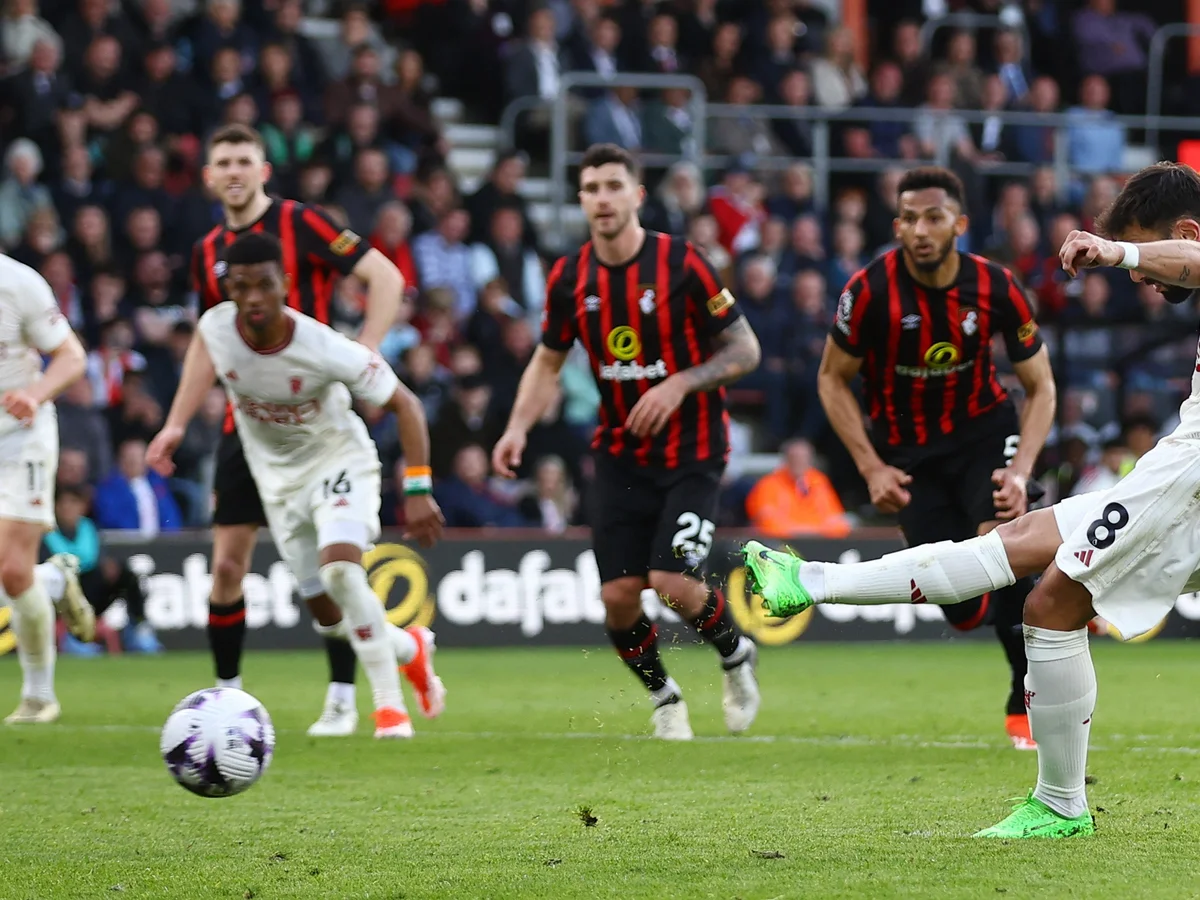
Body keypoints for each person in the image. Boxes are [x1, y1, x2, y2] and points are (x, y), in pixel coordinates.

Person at [743, 159, 1200, 838]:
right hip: (1176, 465)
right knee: (1019, 550)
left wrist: (1115, 250)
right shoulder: (873, 291)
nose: (1137, 278)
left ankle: (1060, 805)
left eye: (1145, 253)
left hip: (1189, 476)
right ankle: (805, 580)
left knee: (1050, 604)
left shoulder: (1026, 281)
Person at [492, 143, 763, 740]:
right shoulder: (570, 276)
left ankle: (735, 654)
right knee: (618, 596)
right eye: (590, 189)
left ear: (637, 195)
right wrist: (516, 427)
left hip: (693, 449)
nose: (601, 198)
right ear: (581, 199)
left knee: (670, 584)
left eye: (613, 185)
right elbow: (546, 361)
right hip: (620, 455)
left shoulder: (683, 263)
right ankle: (665, 697)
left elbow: (746, 349)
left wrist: (679, 385)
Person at [159, 124, 405, 737]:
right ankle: (226, 705)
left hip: (318, 424)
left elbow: (387, 278)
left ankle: (344, 695)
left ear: (264, 170)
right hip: (248, 425)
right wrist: (175, 422)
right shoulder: (207, 251)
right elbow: (206, 345)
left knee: (333, 570)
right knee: (225, 570)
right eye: (224, 162)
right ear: (209, 177)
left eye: (246, 159)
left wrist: (366, 351)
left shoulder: (305, 224)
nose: (235, 171)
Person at [815, 166, 1057, 750]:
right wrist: (871, 466)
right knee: (960, 601)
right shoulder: (868, 291)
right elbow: (831, 379)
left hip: (984, 436)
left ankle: (1024, 694)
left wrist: (1021, 470)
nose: (919, 230)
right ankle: (979, 607)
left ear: (959, 223)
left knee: (1003, 544)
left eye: (933, 217)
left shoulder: (995, 286)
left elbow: (1041, 386)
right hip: (909, 456)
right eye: (908, 219)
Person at [0, 253, 95, 724]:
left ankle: (39, 696)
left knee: (12, 571)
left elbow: (71, 356)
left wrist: (33, 396)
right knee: (14, 576)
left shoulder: (18, 284)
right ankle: (54, 579)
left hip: (20, 436)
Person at [43, 484, 163, 655]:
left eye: (73, 503)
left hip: (91, 590)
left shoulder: (90, 528)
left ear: (82, 507)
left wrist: (109, 566)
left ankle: (138, 630)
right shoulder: (47, 532)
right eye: (63, 503)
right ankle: (72, 636)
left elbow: (101, 557)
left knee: (126, 575)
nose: (67, 508)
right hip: (60, 593)